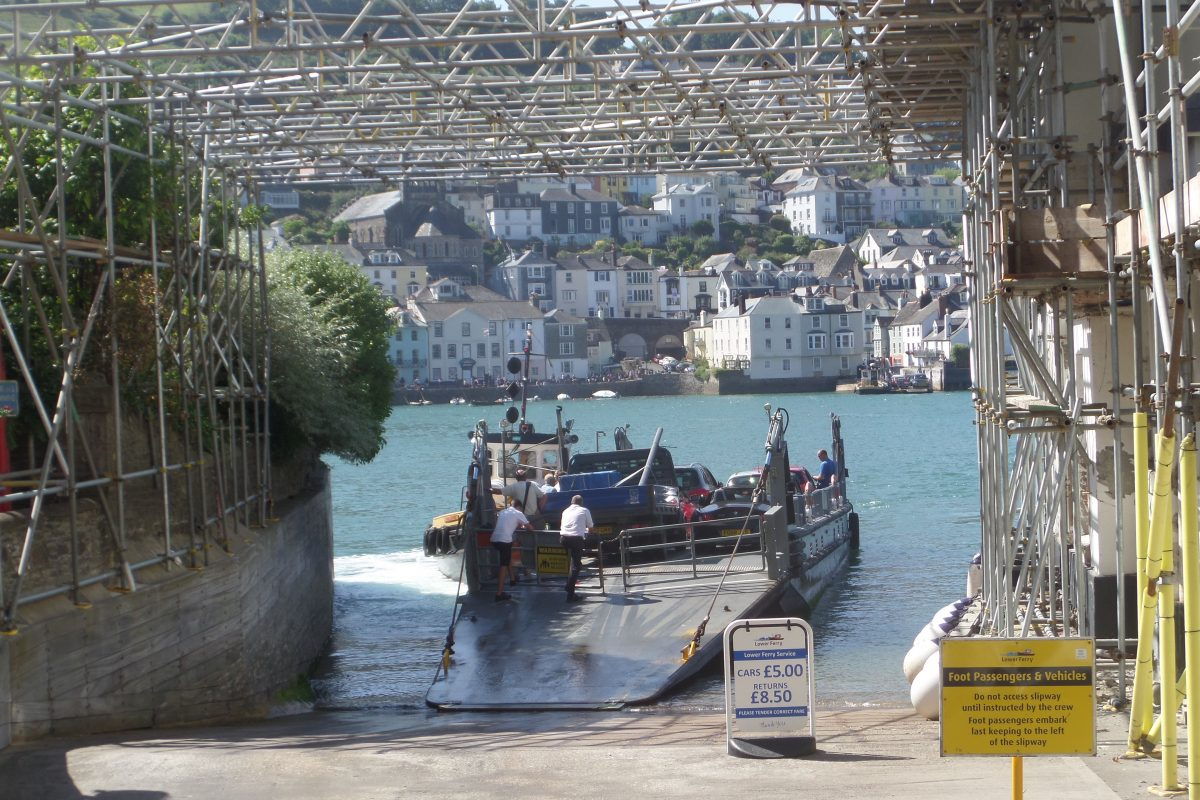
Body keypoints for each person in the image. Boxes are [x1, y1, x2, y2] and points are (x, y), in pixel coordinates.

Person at [491, 497, 530, 602]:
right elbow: (530, 527)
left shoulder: (503, 511)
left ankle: (512, 579)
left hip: (494, 539)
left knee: (506, 557)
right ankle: (499, 594)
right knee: (503, 566)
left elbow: (507, 524)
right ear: (519, 507)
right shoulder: (518, 513)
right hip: (504, 541)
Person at [558, 494, 593, 603]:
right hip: (576, 539)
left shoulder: (565, 511)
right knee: (576, 566)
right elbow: (590, 527)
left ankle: (570, 589)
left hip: (563, 539)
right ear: (581, 503)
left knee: (572, 564)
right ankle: (570, 589)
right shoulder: (584, 510)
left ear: (572, 502)